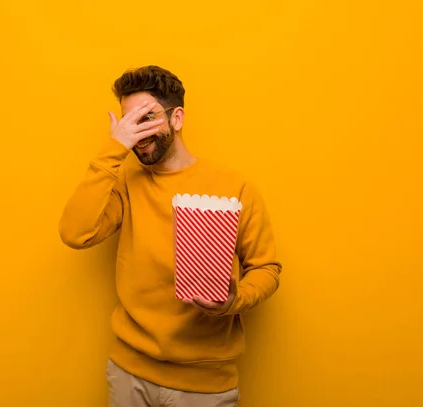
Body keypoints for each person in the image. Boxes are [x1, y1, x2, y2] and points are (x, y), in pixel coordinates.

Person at [58, 65, 282, 407]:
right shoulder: (125, 183)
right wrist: (113, 150)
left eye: (147, 118)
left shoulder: (235, 187)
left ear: (176, 118)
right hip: (129, 373)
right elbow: (75, 233)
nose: (138, 133)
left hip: (205, 384)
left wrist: (234, 302)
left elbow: (266, 268)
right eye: (129, 123)